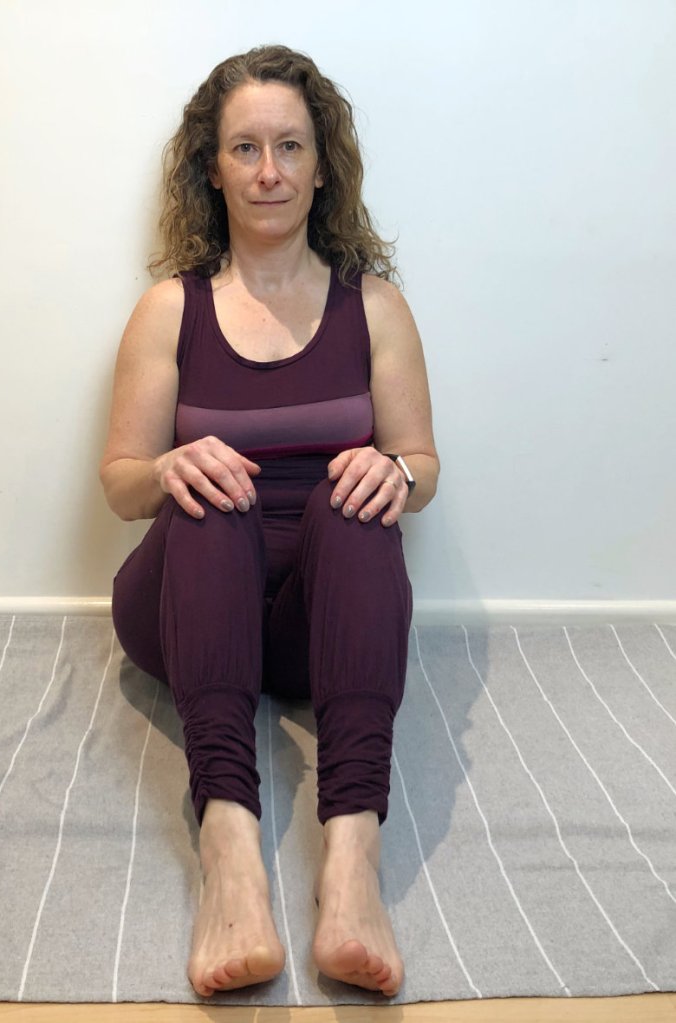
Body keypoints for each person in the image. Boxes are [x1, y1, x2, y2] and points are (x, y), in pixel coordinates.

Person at [99, 44, 440, 1000]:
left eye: (290, 146)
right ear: (211, 166)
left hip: (310, 629)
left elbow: (425, 466)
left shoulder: (373, 308)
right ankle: (231, 851)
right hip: (186, 599)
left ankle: (352, 863)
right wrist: (167, 463)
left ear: (322, 163)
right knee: (218, 492)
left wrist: (395, 470)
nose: (268, 172)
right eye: (244, 148)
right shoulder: (171, 309)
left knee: (360, 494)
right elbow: (122, 484)